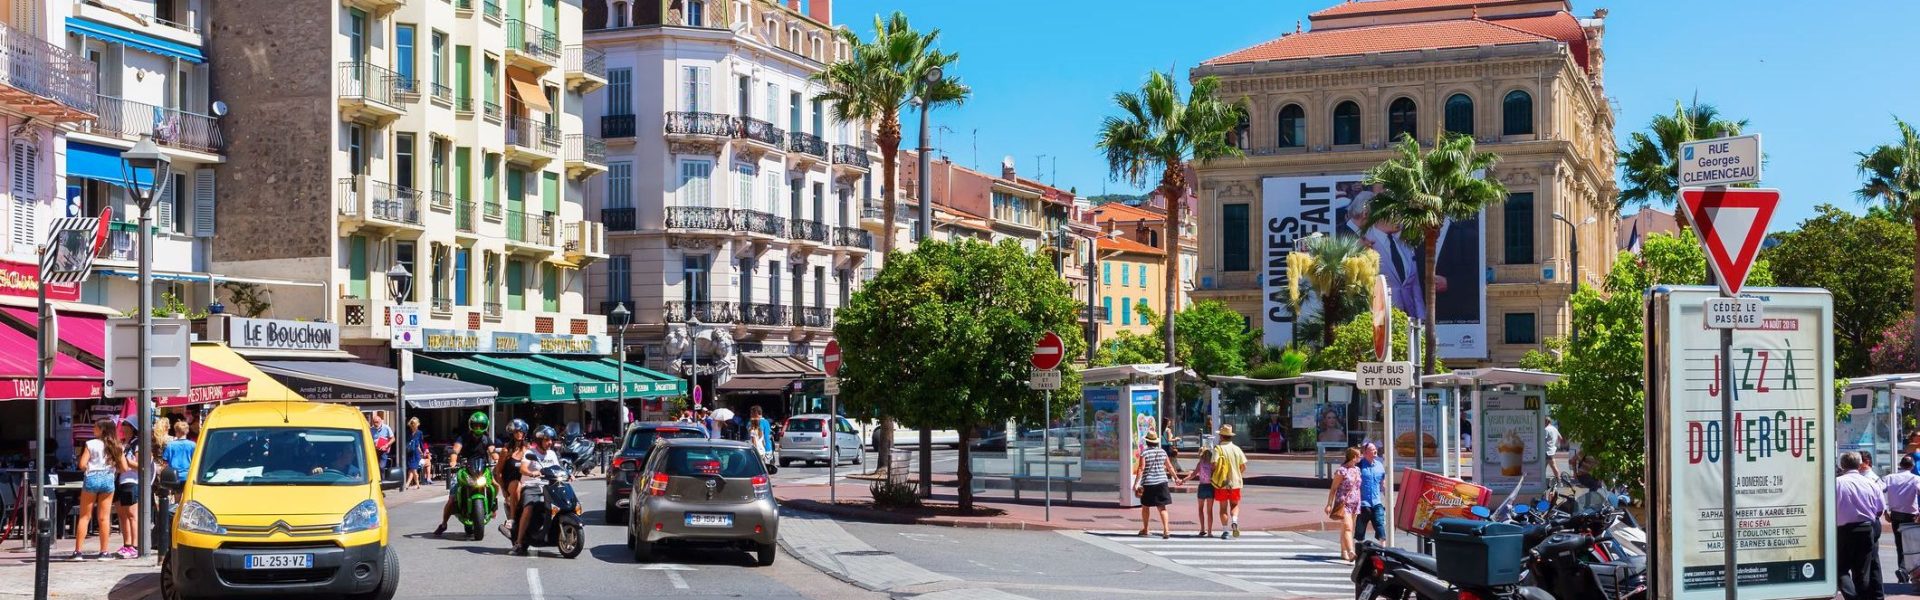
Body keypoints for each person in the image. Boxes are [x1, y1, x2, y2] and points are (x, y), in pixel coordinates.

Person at [433, 412, 497, 536]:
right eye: (476, 425)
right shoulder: (463, 437)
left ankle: (493, 507)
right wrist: (453, 460)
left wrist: (496, 458)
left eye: (481, 425)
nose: (478, 428)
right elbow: (455, 449)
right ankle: (444, 523)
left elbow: (492, 450)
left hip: (482, 470)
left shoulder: (486, 438)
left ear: (485, 426)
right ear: (471, 425)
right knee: (451, 499)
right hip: (465, 469)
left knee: (495, 485)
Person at [1838, 452, 1886, 600]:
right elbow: (1880, 509)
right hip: (1866, 529)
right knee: (1862, 571)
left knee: (1840, 569)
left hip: (1843, 531)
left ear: (1842, 465)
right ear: (1859, 465)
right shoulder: (1871, 483)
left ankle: (1852, 597)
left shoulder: (1836, 483)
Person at [72, 420, 119, 560]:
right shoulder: (116, 445)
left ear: (102, 429)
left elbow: (81, 464)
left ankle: (78, 552)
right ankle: (104, 552)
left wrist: (91, 469)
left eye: (95, 427)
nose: (93, 429)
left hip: (92, 477)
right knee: (104, 517)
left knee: (85, 516)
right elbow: (124, 466)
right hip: (108, 478)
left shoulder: (90, 444)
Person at [512, 426, 562, 556]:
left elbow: (558, 467)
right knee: (529, 507)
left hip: (551, 485)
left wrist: (569, 473)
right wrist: (532, 473)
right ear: (539, 441)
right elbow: (523, 469)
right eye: (546, 440)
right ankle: (518, 541)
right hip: (532, 485)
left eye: (551, 440)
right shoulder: (531, 453)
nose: (550, 443)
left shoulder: (552, 453)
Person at [1884, 455, 1920, 583]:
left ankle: (1903, 569)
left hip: (1896, 515)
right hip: (1911, 515)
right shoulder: (1916, 479)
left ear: (1900, 464)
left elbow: (1880, 492)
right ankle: (1909, 571)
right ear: (1912, 466)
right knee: (1912, 545)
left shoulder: (1889, 478)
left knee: (1900, 544)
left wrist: (1885, 511)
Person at [1133, 431, 1175, 539]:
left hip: (1149, 483)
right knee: (1162, 507)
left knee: (1145, 506)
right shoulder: (1162, 452)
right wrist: (1176, 477)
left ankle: (1146, 529)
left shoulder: (1145, 453)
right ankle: (1166, 530)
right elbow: (1169, 466)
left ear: (1147, 441)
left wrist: (1136, 483)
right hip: (1162, 482)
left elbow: (1141, 468)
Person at [1210, 425, 1249, 539]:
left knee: (1223, 508)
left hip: (1221, 483)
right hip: (1235, 482)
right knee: (1235, 505)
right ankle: (1235, 521)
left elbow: (1214, 464)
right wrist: (1237, 475)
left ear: (1221, 436)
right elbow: (1243, 466)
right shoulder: (1237, 449)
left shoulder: (1218, 449)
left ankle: (1225, 530)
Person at [111, 421, 142, 559]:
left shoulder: (137, 443)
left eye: (126, 424)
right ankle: (127, 544)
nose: (123, 427)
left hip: (131, 481)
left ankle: (135, 545)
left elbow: (140, 465)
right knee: (122, 515)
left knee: (132, 514)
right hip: (118, 480)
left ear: (132, 427)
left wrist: (124, 461)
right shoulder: (122, 442)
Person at [496, 419, 530, 539]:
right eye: (516, 432)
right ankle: (512, 519)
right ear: (511, 434)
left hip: (527, 481)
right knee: (516, 485)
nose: (519, 434)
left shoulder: (528, 449)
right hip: (511, 481)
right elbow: (498, 472)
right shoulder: (506, 451)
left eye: (521, 432)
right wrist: (504, 490)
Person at [1327, 447, 1363, 562]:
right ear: (1353, 457)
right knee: (1348, 527)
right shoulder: (1342, 471)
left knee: (1347, 528)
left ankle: (1343, 551)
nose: (1360, 457)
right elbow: (1333, 488)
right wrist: (1329, 504)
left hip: (1355, 503)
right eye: (1359, 455)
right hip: (1344, 503)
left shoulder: (1357, 470)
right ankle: (1351, 551)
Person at [1179, 447, 1217, 538]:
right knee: (1210, 511)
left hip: (1202, 486)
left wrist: (1183, 480)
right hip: (1210, 487)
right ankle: (1210, 531)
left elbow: (1193, 474)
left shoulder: (1200, 464)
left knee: (1200, 509)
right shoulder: (1212, 465)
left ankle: (1202, 529)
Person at [1353, 443, 1387, 543]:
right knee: (1360, 530)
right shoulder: (1358, 466)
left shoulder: (1380, 466)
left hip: (1377, 503)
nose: (1375, 450)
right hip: (1363, 504)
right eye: (1372, 449)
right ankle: (1359, 551)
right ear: (1365, 453)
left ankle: (1383, 552)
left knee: (1380, 526)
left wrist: (1389, 499)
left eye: (1375, 448)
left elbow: (1383, 484)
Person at [162, 419, 196, 485]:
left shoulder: (170, 445)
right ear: (187, 431)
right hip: (189, 474)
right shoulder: (193, 445)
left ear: (177, 432)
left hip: (174, 475)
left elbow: (165, 461)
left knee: (177, 494)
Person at [405, 417, 426, 489]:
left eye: (414, 424)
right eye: (412, 424)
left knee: (413, 469)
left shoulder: (420, 433)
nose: (413, 425)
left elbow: (421, 443)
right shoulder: (408, 433)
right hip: (409, 453)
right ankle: (416, 484)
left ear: (417, 424)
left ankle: (408, 484)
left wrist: (423, 451)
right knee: (411, 469)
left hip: (416, 453)